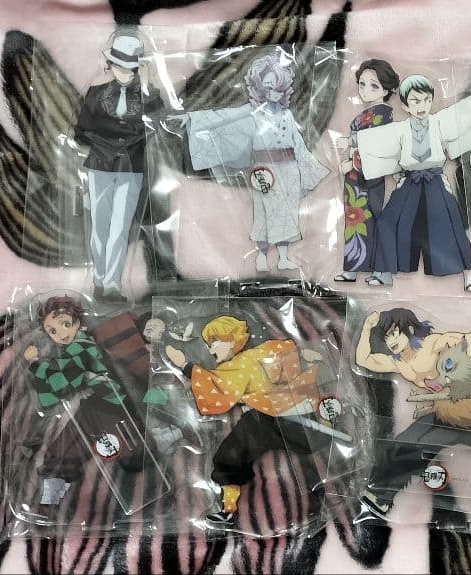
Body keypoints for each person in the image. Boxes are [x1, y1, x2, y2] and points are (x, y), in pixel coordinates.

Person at [172, 52, 329, 272]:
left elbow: (299, 145)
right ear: (260, 88)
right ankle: (262, 257)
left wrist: (309, 171)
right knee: (264, 215)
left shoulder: (287, 115)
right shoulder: (253, 112)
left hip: (289, 171)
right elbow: (223, 117)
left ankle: (283, 257)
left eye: (276, 87)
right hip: (265, 170)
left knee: (287, 215)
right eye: (267, 87)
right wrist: (192, 118)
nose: (272, 92)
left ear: (284, 88)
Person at [164, 315, 329, 525]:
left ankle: (231, 510)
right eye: (209, 345)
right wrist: (305, 356)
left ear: (231, 339)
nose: (211, 350)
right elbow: (290, 356)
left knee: (230, 458)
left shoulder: (243, 362)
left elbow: (218, 386)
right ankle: (230, 509)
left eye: (214, 343)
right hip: (277, 414)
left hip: (278, 414)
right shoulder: (259, 353)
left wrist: (185, 365)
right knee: (231, 457)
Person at [24, 296, 179, 506]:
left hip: (111, 405)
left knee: (131, 455)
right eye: (52, 331)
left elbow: (60, 382)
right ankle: (52, 494)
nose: (60, 334)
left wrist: (34, 363)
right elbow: (61, 377)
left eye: (65, 324)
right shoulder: (74, 349)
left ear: (77, 321)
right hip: (94, 404)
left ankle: (159, 438)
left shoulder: (81, 346)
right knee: (66, 446)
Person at [354, 308, 471, 517]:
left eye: (393, 333)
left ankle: (382, 496)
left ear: (409, 329)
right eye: (386, 337)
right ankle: (381, 496)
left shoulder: (432, 344)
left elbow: (469, 338)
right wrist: (367, 328)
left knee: (417, 446)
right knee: (403, 442)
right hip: (442, 412)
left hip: (466, 409)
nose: (390, 341)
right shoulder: (400, 362)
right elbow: (363, 360)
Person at [356, 75, 471, 291]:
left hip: (435, 180)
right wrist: (353, 141)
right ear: (405, 105)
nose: (422, 106)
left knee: (450, 223)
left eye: (426, 100)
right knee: (388, 221)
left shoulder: (439, 122)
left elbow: (463, 116)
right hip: (410, 182)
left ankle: (469, 276)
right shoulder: (400, 129)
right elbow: (377, 141)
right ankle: (384, 272)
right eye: (415, 101)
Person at [74, 28, 163, 301]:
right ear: (110, 64)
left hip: (131, 168)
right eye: (120, 66)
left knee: (120, 228)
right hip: (99, 164)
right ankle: (99, 280)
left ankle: (112, 284)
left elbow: (159, 121)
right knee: (99, 227)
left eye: (131, 68)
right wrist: (107, 143)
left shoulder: (148, 95)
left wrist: (147, 87)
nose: (126, 73)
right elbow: (80, 132)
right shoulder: (95, 93)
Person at [335, 59, 399, 282]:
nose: (365, 90)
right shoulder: (367, 114)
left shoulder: (384, 114)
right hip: (354, 177)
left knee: (372, 218)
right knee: (354, 221)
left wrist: (351, 155)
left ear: (386, 89)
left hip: (369, 175)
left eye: (373, 85)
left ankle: (381, 270)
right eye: (362, 84)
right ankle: (352, 267)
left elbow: (376, 144)